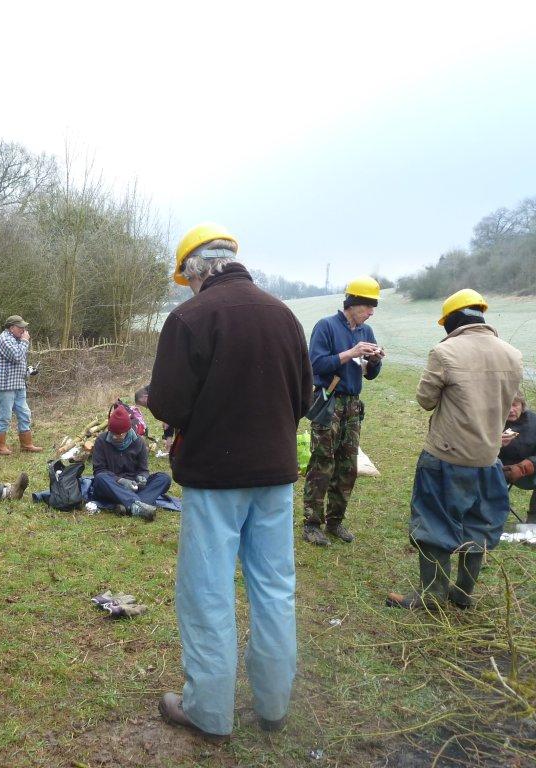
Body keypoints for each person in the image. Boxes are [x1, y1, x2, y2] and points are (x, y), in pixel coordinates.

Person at [149, 222, 313, 741]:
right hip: (275, 477)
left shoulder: (189, 317)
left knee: (208, 592)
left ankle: (210, 712)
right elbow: (305, 401)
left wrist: (157, 398)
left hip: (215, 481)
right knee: (274, 588)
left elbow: (171, 405)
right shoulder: (285, 315)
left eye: (186, 279)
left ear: (195, 272)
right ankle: (273, 705)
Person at [387, 289, 522, 610]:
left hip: (445, 457)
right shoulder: (512, 355)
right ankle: (462, 594)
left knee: (433, 524)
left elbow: (425, 400)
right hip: (488, 458)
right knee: (480, 524)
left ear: (451, 321)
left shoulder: (445, 352)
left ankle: (432, 597)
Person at [301, 276, 386, 547]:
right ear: (353, 304)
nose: (371, 312)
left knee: (347, 466)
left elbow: (371, 375)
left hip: (353, 404)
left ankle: (335, 521)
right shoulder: (326, 326)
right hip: (329, 401)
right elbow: (315, 364)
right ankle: (312, 524)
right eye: (368, 306)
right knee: (322, 461)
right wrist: (350, 353)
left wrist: (373, 361)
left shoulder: (366, 332)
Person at [90, 403, 172, 521]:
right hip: (113, 485)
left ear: (128, 430)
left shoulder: (139, 442)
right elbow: (99, 471)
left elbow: (143, 469)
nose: (116, 437)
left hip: (134, 485)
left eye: (120, 435)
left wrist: (142, 477)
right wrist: (120, 480)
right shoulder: (101, 441)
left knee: (164, 478)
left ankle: (127, 506)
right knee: (100, 479)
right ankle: (136, 504)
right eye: (113, 434)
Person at [500, 393, 536, 525]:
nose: (511, 410)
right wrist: (494, 443)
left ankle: (533, 521)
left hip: (525, 474)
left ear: (522, 406)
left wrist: (522, 468)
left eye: (515, 405)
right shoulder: (487, 421)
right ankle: (482, 518)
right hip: (492, 470)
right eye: (506, 405)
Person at [0, 314, 43, 455]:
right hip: (5, 386)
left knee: (24, 413)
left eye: (24, 327)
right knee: (5, 416)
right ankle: (0, 447)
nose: (23, 330)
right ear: (11, 327)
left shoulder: (16, 339)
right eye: (20, 327)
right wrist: (25, 341)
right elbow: (16, 357)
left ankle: (26, 444)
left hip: (19, 384)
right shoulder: (4, 339)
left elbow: (17, 362)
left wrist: (27, 371)